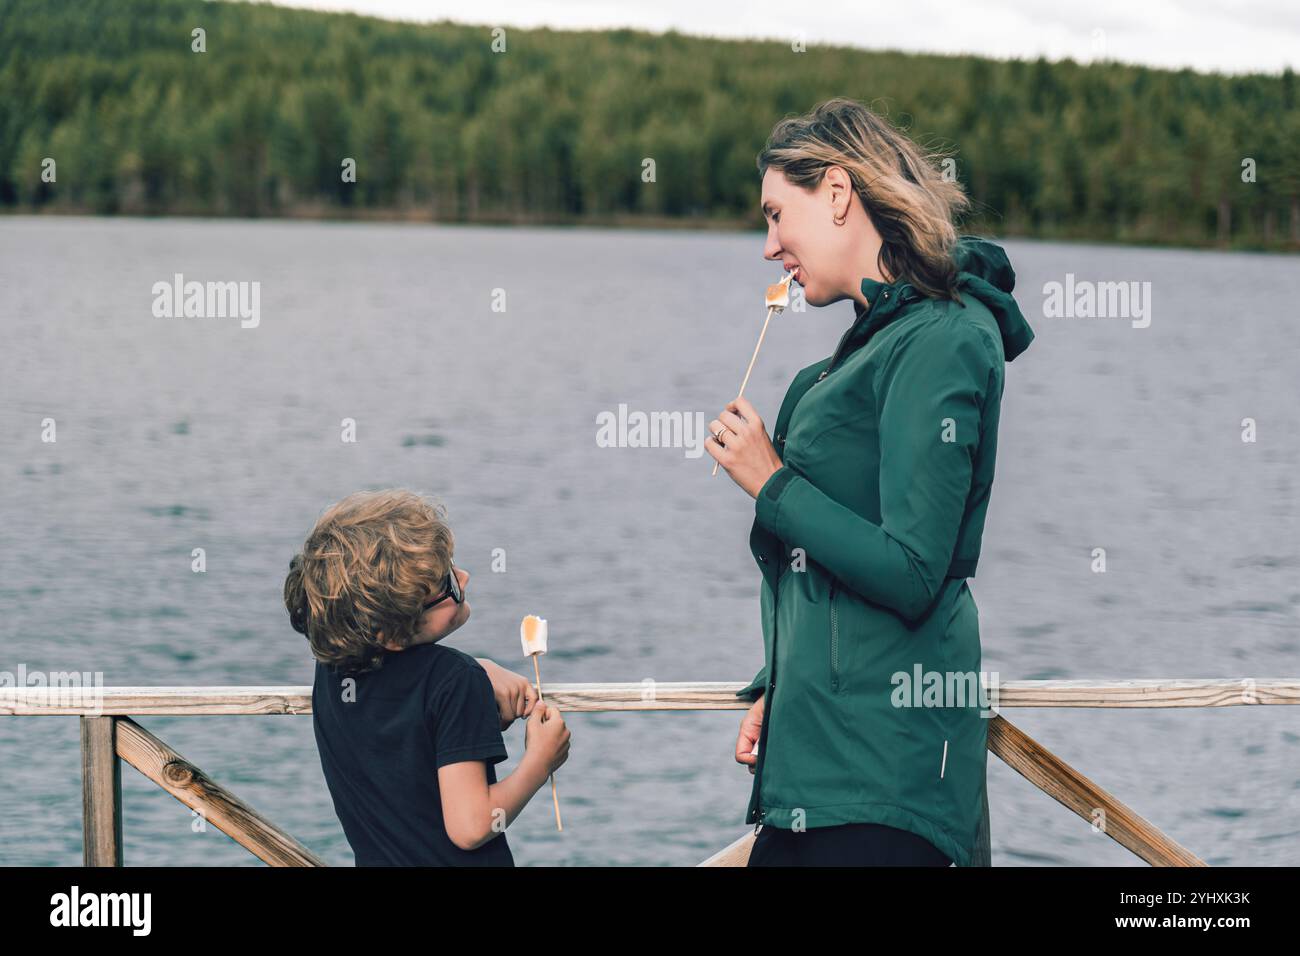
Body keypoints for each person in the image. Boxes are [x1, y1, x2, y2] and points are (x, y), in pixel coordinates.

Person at [707, 97, 1033, 867]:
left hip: (884, 790)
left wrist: (770, 480)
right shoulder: (848, 361)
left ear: (839, 193)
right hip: (814, 780)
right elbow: (830, 574)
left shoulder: (943, 337)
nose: (768, 245)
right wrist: (778, 682)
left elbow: (914, 572)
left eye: (776, 214)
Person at [284, 488, 570, 865]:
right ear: (394, 632)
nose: (464, 578)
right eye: (447, 584)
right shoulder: (454, 681)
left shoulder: (334, 670)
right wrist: (541, 760)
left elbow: (401, 695)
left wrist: (478, 669)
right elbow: (471, 827)